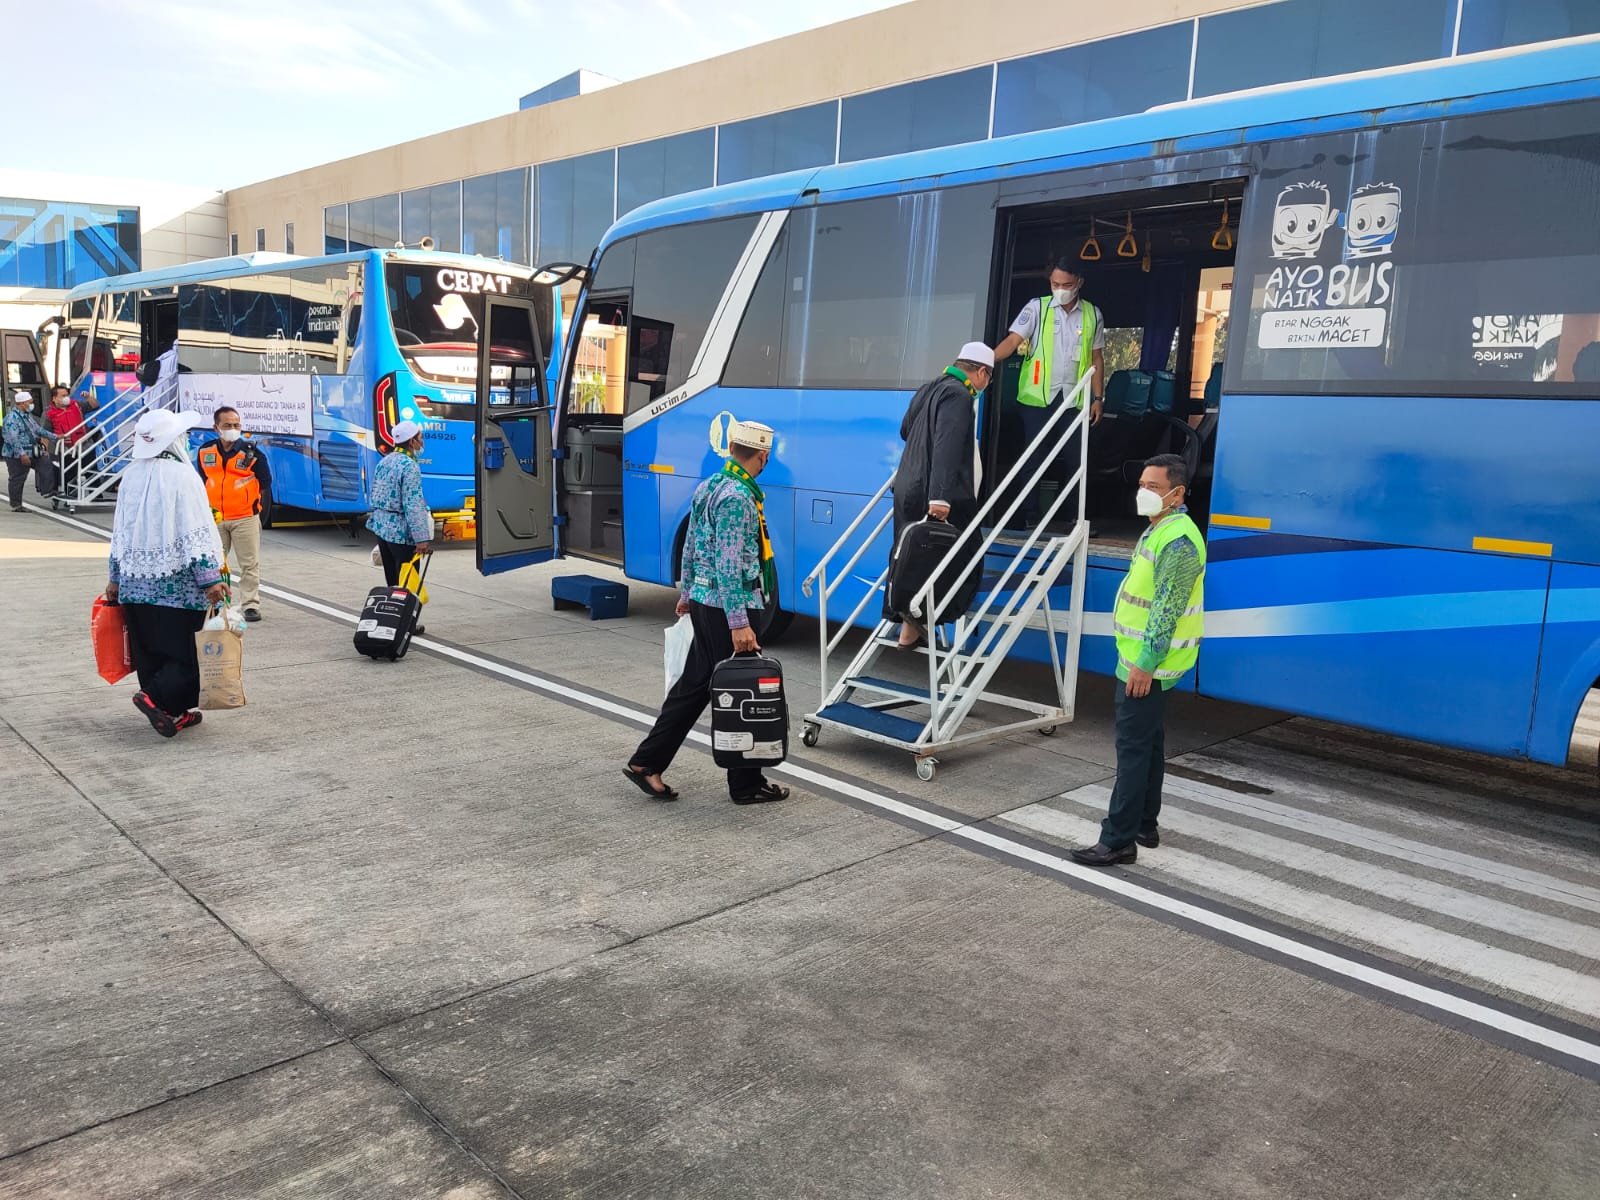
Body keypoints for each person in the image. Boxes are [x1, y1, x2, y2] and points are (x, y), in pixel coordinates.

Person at [624, 420, 790, 806]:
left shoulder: (711, 484)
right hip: (725, 608)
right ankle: (746, 784)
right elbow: (730, 564)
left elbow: (693, 543)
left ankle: (647, 762)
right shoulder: (737, 497)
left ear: (732, 447)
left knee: (696, 685)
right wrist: (740, 624)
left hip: (706, 600)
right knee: (743, 692)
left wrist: (687, 591)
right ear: (763, 456)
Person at [1071, 454, 1205, 866]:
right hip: (1141, 659)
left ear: (1177, 493)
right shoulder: (1162, 529)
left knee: (1132, 749)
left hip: (1146, 664)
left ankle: (1117, 840)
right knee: (1147, 743)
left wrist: (1145, 664)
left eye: (1153, 486)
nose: (1143, 493)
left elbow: (1165, 610)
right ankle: (1145, 823)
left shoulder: (1178, 541)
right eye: (1142, 484)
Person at [105, 408, 229, 738]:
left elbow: (121, 532)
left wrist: (115, 578)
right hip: (178, 588)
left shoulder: (131, 474)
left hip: (134, 582)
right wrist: (210, 579)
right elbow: (194, 531)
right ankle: (155, 698)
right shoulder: (183, 476)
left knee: (150, 650)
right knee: (186, 653)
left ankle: (173, 712)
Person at [885, 341, 992, 648]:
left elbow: (906, 430)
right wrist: (940, 497)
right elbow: (947, 445)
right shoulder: (959, 395)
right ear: (981, 373)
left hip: (908, 485)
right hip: (934, 490)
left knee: (911, 556)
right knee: (965, 550)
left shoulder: (929, 388)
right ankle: (920, 621)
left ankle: (908, 626)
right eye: (988, 379)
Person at [992, 261, 1106, 528]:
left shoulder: (1093, 314)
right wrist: (983, 362)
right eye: (1055, 284)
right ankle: (1030, 517)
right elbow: (1012, 341)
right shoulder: (1037, 308)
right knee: (1034, 457)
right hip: (1037, 400)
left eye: (1066, 285)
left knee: (1077, 460)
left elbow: (1096, 358)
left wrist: (1098, 398)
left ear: (1079, 282)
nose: (1060, 290)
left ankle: (1074, 518)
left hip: (1075, 399)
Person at [195, 406, 272, 623]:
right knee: (215, 564)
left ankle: (250, 605)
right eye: (227, 425)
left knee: (249, 564)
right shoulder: (205, 451)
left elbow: (265, 483)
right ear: (216, 427)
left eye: (236, 425)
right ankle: (217, 603)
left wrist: (248, 500)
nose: (233, 429)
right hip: (215, 519)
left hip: (245, 518)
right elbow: (201, 481)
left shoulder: (252, 453)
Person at [365, 419, 433, 635]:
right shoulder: (409, 466)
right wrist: (421, 538)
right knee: (407, 582)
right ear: (411, 441)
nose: (422, 441)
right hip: (401, 533)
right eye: (420, 437)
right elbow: (413, 505)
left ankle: (391, 620)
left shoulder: (385, 461)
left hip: (382, 529)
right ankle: (406, 624)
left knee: (392, 580)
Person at [3, 390, 57, 510]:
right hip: (16, 455)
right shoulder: (12, 419)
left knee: (45, 462)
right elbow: (13, 439)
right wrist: (22, 454)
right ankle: (16, 504)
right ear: (22, 403)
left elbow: (38, 430)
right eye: (30, 402)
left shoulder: (27, 416)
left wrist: (56, 436)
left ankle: (47, 490)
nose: (32, 405)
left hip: (31, 451)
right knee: (18, 477)